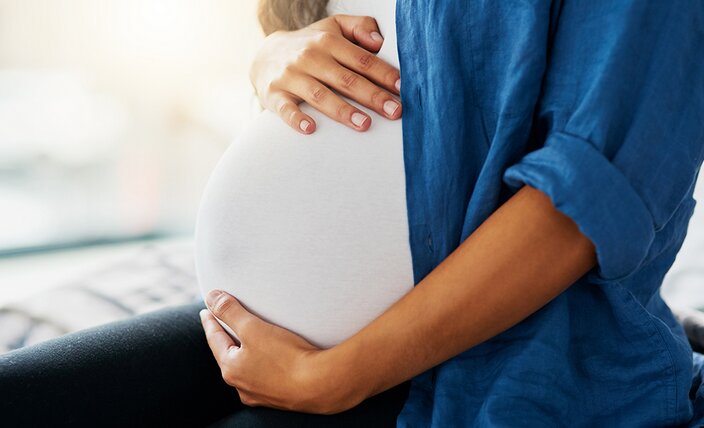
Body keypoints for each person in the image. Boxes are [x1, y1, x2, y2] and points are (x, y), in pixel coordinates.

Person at [2, 1, 704, 427]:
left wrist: (334, 378)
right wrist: (272, 58)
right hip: (267, 337)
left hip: (492, 373)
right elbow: (313, 46)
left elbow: (588, 199)